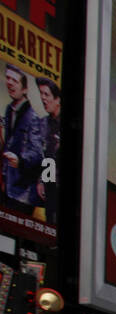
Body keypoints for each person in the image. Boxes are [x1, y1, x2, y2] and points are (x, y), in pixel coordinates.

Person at [2, 65, 44, 213]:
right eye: (8, 78)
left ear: (25, 89)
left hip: (23, 194)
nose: (10, 82)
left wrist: (20, 160)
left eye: (14, 80)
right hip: (7, 186)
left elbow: (38, 154)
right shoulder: (9, 109)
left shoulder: (32, 118)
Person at [34, 77, 58, 225]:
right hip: (50, 188)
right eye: (41, 94)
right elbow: (46, 156)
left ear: (58, 100)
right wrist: (42, 181)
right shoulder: (43, 123)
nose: (43, 98)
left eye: (46, 95)